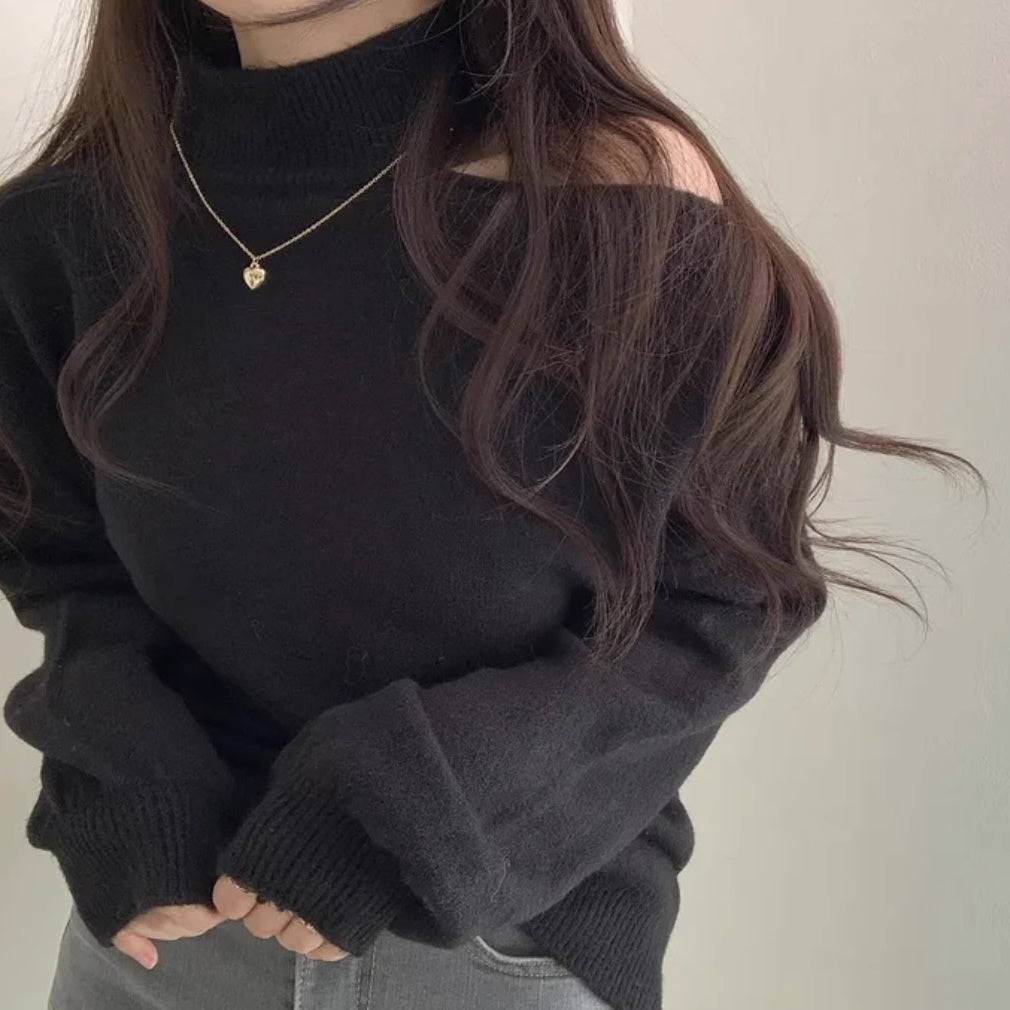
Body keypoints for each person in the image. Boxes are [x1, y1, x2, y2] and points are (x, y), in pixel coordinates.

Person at [0, 2, 979, 1009]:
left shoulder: (623, 213)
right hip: (155, 948)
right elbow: (61, 559)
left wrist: (412, 810)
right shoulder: (66, 227)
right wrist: (129, 777)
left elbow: (720, 607)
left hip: (492, 946)